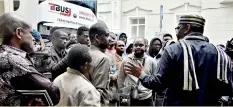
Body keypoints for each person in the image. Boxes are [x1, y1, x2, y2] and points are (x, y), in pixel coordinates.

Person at [124, 14, 233, 106]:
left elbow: (159, 84)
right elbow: (227, 89)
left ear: (187, 28)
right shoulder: (221, 54)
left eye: (178, 28)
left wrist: (141, 74)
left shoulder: (173, 50)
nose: (176, 32)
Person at [0, 13, 60, 106]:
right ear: (19, 33)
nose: (33, 38)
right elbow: (52, 92)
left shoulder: (3, 53)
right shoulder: (13, 59)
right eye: (30, 33)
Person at [118, 38, 156, 106]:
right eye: (136, 45)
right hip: (128, 96)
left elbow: (154, 79)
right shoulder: (126, 60)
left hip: (146, 97)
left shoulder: (151, 61)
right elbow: (120, 79)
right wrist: (121, 94)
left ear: (146, 46)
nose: (138, 47)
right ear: (133, 47)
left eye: (141, 45)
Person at [84, 20, 111, 106]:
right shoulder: (103, 58)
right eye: (107, 35)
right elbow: (97, 92)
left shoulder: (84, 53)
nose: (109, 38)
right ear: (97, 38)